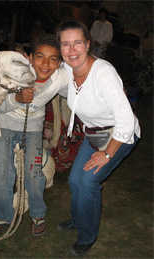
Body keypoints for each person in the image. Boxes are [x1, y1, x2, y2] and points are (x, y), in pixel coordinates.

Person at [55, 20, 141, 256]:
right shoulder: (66, 69)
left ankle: (87, 235)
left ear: (88, 44)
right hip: (93, 134)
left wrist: (107, 153)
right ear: (60, 48)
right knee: (74, 180)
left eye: (77, 43)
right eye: (66, 44)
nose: (72, 50)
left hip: (119, 135)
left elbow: (126, 119)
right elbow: (45, 75)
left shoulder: (103, 73)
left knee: (89, 182)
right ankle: (78, 218)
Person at [0, 34, 68, 236]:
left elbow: (80, 87)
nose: (45, 64)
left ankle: (38, 214)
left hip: (32, 128)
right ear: (28, 57)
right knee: (1, 174)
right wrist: (16, 98)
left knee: (33, 173)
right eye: (40, 57)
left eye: (53, 59)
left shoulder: (62, 77)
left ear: (59, 63)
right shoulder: (12, 72)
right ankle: (4, 216)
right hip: (4, 124)